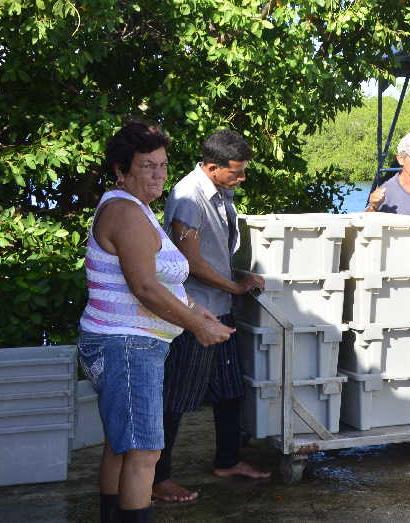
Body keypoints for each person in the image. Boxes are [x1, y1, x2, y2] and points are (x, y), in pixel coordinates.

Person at [77, 121, 234, 523]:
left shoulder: (136, 208)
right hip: (127, 345)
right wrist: (198, 327)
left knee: (122, 446)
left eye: (163, 165)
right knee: (144, 452)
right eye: (147, 165)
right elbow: (145, 288)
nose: (159, 174)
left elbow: (161, 281)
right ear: (121, 169)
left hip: (127, 342)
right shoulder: (124, 212)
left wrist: (197, 310)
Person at [152, 130, 269, 503]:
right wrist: (235, 286)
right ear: (212, 166)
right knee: (177, 398)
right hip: (195, 313)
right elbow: (191, 262)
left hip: (221, 308)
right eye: (236, 172)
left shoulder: (221, 191)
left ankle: (228, 460)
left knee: (230, 391)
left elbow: (217, 253)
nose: (242, 178)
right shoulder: (189, 197)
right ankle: (158, 477)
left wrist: (234, 283)